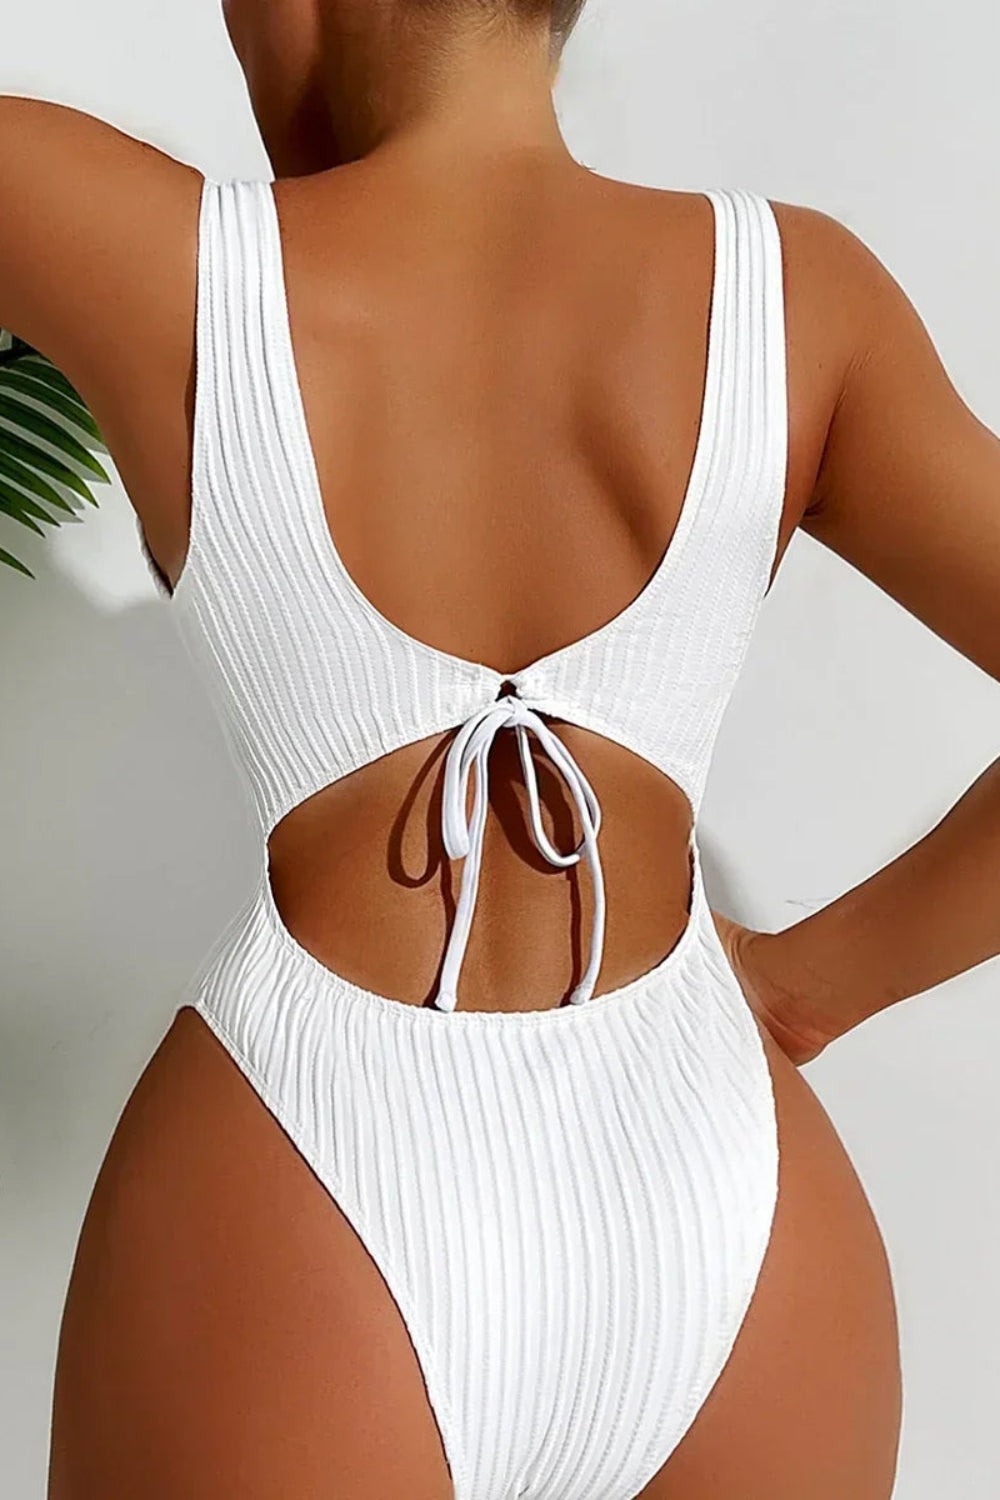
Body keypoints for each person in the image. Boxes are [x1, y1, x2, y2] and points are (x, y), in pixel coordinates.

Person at [2, 2, 998, 1496]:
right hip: (722, 1190)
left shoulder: (152, 253)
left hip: (300, 1197)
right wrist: (812, 985)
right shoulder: (797, 292)